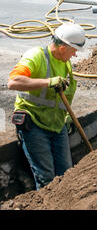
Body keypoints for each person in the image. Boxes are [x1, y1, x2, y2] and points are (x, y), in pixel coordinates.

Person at [8, 23, 86, 190]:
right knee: (47, 178)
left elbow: (66, 93)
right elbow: (13, 82)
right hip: (34, 122)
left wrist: (66, 117)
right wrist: (48, 82)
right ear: (63, 47)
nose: (75, 54)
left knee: (67, 174)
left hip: (57, 125)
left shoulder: (65, 63)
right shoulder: (36, 56)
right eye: (74, 50)